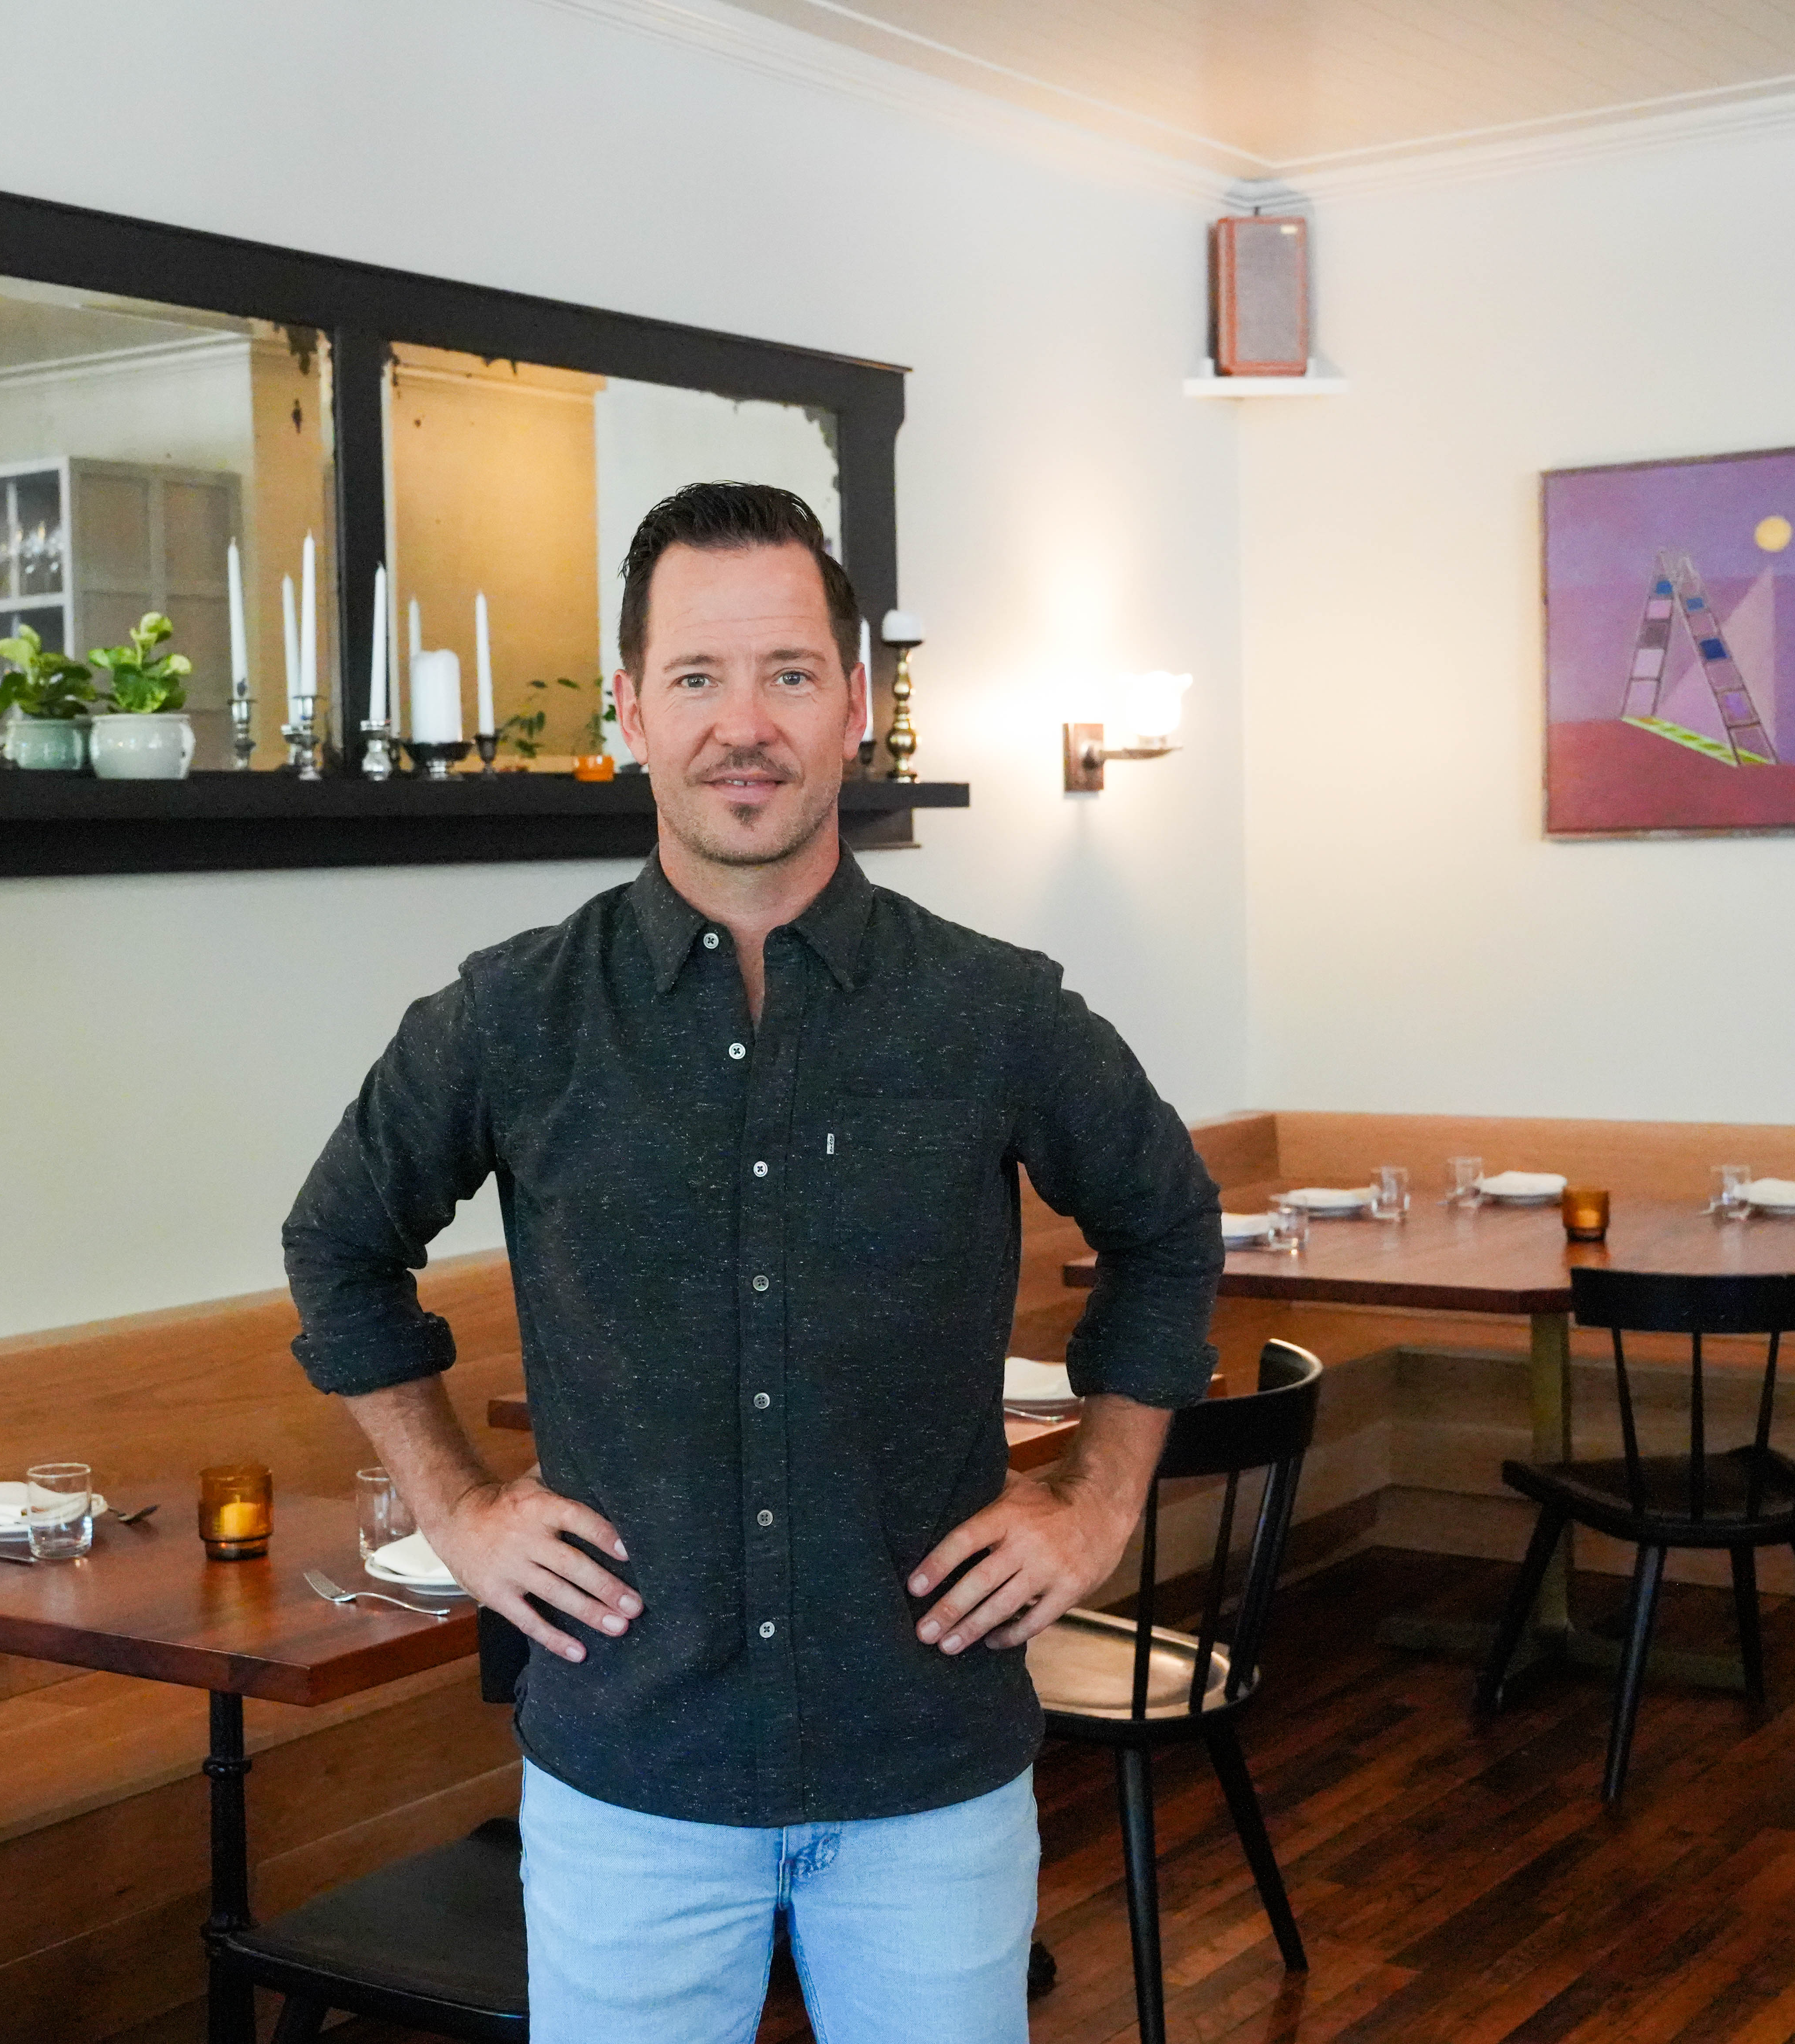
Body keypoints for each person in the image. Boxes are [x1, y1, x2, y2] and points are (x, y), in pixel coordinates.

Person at [283, 481, 1224, 2042]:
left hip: (927, 1764)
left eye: (789, 674)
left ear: (854, 707)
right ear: (630, 713)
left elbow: (1168, 1226)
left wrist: (1100, 1498)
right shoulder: (515, 1016)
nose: (747, 724)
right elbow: (338, 1245)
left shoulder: (994, 1010)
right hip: (628, 1777)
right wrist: (457, 1511)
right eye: (700, 679)